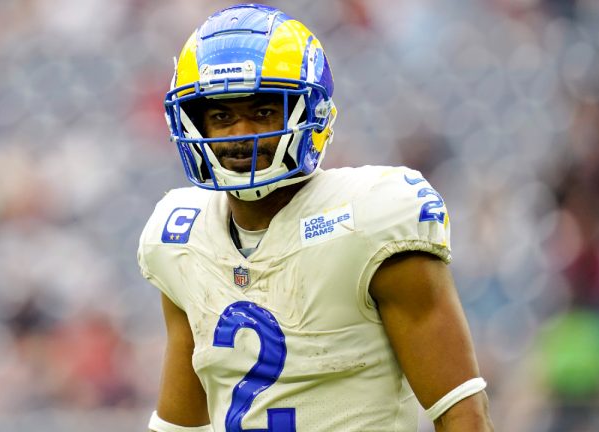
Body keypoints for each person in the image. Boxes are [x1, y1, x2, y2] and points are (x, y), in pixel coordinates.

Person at [138, 4, 493, 431]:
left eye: (263, 112)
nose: (240, 134)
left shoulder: (370, 219)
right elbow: (180, 426)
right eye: (221, 116)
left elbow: (460, 412)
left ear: (311, 114)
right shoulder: (181, 236)